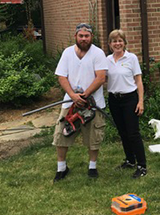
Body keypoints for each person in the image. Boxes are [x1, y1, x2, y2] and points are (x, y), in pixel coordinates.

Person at [52, 23, 107, 182]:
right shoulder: (67, 53)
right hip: (70, 103)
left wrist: (85, 95)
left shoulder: (98, 53)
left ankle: (92, 167)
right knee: (61, 134)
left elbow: (101, 77)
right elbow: (61, 76)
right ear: (75, 36)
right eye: (81, 36)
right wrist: (73, 96)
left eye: (87, 36)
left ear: (91, 37)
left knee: (93, 136)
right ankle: (61, 168)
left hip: (93, 103)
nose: (84, 39)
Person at [105, 29, 147, 179]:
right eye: (114, 41)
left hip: (130, 99)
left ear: (124, 43)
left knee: (133, 133)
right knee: (122, 132)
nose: (117, 43)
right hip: (114, 100)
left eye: (120, 40)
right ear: (110, 44)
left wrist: (140, 101)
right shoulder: (107, 60)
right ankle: (130, 160)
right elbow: (101, 79)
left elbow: (138, 80)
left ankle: (142, 166)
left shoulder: (131, 58)